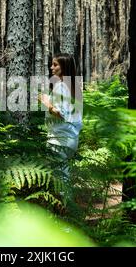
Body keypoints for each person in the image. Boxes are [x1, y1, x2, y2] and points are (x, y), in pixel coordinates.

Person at [39, 54, 83, 183]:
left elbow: (60, 112)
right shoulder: (75, 86)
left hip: (59, 139)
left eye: (55, 64)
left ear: (64, 67)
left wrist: (46, 102)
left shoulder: (61, 86)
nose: (51, 67)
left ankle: (64, 202)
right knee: (63, 176)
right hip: (72, 138)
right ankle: (64, 201)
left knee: (59, 181)